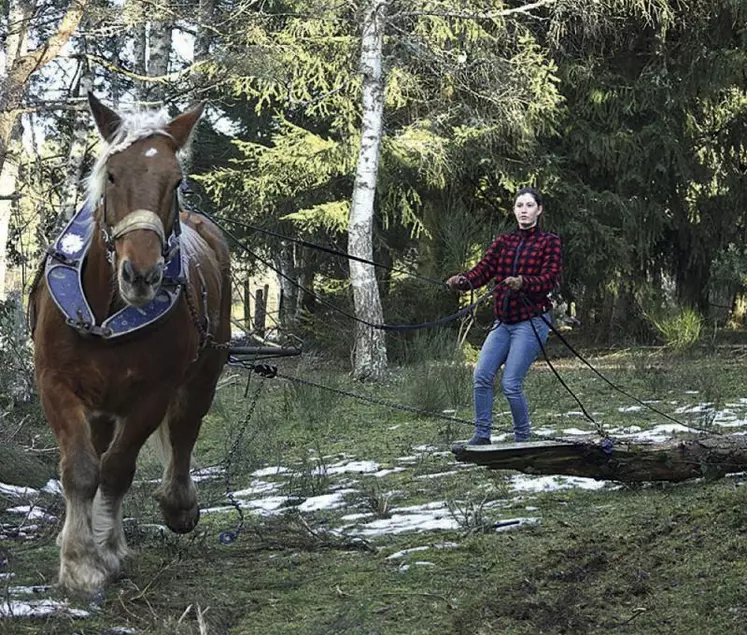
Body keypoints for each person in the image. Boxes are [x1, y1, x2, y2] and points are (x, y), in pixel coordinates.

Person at [446, 187, 562, 445]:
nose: (524, 210)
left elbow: (549, 279)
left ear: (539, 210)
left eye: (529, 205)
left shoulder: (549, 242)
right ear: (514, 210)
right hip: (503, 323)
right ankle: (482, 435)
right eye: (519, 205)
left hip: (532, 321)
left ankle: (523, 439)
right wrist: (463, 281)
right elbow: (482, 271)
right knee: (482, 375)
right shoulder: (502, 242)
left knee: (511, 383)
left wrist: (523, 283)